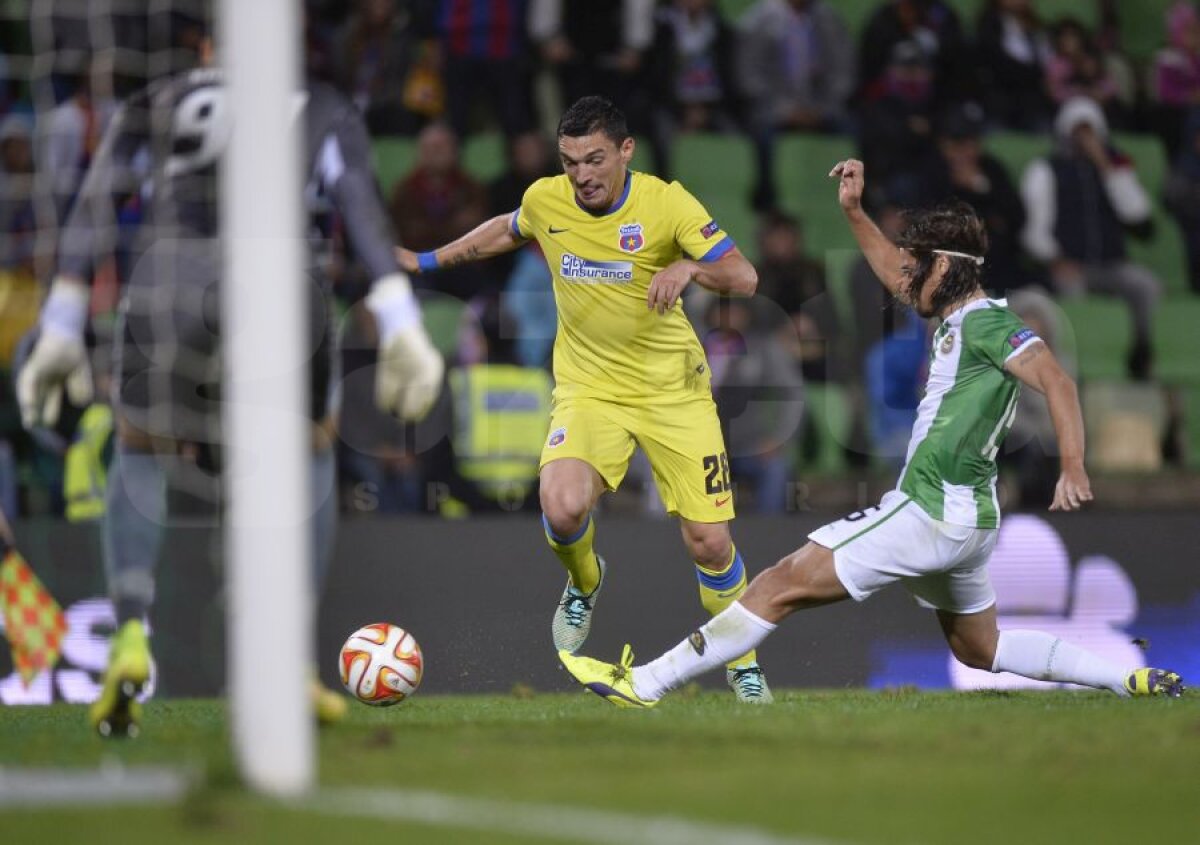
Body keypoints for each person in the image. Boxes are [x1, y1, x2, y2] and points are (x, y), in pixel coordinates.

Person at [559, 158, 1185, 707]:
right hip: (970, 521)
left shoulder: (988, 323)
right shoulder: (957, 316)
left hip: (930, 511)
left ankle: (646, 683)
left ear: (950, 268)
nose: (907, 274)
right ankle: (1127, 677)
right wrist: (855, 213)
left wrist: (1073, 465)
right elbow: (894, 273)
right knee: (980, 647)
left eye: (920, 264)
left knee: (778, 585)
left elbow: (1058, 381)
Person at [16, 26, 443, 736]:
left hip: (168, 282)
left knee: (140, 444)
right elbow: (359, 203)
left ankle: (129, 634)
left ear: (207, 49)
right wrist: (401, 321)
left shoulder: (157, 100)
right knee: (311, 444)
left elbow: (96, 203)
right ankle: (291, 662)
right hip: (281, 285)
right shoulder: (315, 101)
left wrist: (62, 320)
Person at [397, 96, 773, 702]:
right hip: (589, 389)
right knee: (562, 505)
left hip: (674, 394)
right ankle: (585, 580)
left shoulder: (667, 203)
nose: (582, 175)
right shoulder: (548, 200)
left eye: (594, 160)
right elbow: (506, 229)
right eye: (570, 162)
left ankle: (743, 663)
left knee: (710, 543)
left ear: (626, 151)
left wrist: (690, 269)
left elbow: (744, 276)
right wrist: (423, 261)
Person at [1019, 96, 1160, 380]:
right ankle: (1079, 368)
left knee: (1146, 285)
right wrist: (1055, 259)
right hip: (1070, 265)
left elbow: (1139, 216)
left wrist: (1106, 167)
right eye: (1078, 132)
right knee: (1072, 291)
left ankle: (1140, 359)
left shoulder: (1114, 168)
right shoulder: (1046, 169)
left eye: (1090, 132)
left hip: (1111, 264)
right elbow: (1034, 230)